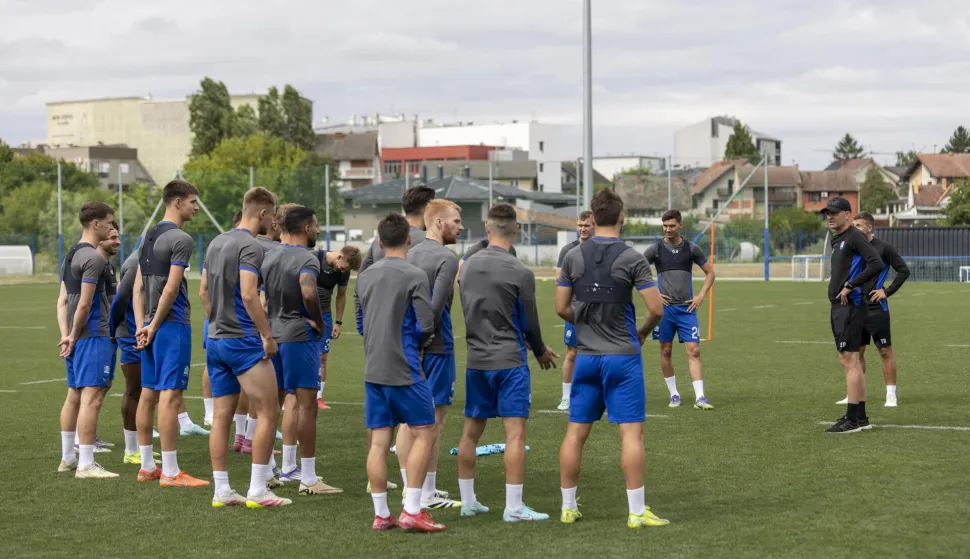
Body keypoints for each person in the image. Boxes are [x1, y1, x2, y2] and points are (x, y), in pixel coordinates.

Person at [555, 188, 667, 529]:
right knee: (632, 435)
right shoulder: (633, 257)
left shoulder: (573, 256)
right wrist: (642, 332)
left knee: (575, 434)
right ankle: (636, 512)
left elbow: (561, 307)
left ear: (592, 219)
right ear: (621, 218)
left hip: (586, 358)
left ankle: (568, 507)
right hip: (622, 358)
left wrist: (585, 325)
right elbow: (656, 309)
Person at [456, 203, 559, 523]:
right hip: (509, 362)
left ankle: (468, 501)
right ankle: (513, 507)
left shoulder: (467, 267)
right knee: (515, 435)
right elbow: (530, 321)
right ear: (515, 229)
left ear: (487, 228)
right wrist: (539, 350)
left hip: (476, 361)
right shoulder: (520, 271)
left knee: (470, 433)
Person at [356, 212, 444, 533]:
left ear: (379, 242)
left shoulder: (364, 276)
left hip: (373, 368)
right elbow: (426, 323)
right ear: (409, 239)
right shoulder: (415, 274)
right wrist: (421, 341)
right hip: (405, 366)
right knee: (425, 431)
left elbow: (361, 323)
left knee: (379, 441)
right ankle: (412, 509)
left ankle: (382, 515)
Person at [202, 186, 289, 508]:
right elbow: (250, 294)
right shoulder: (251, 246)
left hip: (216, 339)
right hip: (243, 341)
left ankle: (222, 490)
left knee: (222, 416)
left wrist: (219, 322)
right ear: (264, 214)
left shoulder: (216, 242)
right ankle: (257, 489)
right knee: (268, 411)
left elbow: (203, 293)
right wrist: (266, 335)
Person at [132, 179, 209, 487]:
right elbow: (171, 287)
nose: (196, 207)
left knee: (148, 393)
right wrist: (153, 325)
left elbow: (138, 287)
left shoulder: (147, 236)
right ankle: (172, 472)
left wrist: (142, 324)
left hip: (149, 326)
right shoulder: (181, 239)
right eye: (193, 201)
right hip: (170, 325)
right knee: (171, 395)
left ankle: (148, 466)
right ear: (177, 202)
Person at [262, 204, 343, 496]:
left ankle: (269, 472)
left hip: (274, 336)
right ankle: (308, 479)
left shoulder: (268, 256)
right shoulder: (307, 258)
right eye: (317, 225)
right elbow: (309, 292)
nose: (318, 230)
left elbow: (261, 299)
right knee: (307, 405)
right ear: (306, 228)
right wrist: (319, 322)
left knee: (273, 407)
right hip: (299, 337)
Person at [398, 199, 464, 509]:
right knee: (434, 420)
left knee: (407, 420)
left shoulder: (407, 253)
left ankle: (415, 488)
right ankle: (423, 493)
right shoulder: (445, 258)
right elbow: (434, 307)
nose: (461, 227)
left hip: (405, 343)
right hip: (434, 346)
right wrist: (424, 340)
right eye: (456, 220)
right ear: (438, 223)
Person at [56, 201, 118, 478]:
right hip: (93, 335)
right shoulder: (93, 258)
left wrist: (66, 335)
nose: (111, 227)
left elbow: (61, 302)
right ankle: (86, 464)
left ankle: (68, 458)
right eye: (109, 223)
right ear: (96, 224)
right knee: (91, 399)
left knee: (74, 397)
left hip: (75, 338)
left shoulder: (70, 255)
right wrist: (72, 335)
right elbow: (84, 303)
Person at [819, 197, 883, 434]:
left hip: (851, 306)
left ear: (848, 214)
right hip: (841, 307)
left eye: (835, 212)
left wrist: (851, 285)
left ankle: (852, 419)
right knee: (849, 360)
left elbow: (876, 263)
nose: (830, 216)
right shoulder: (840, 240)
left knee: (850, 360)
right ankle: (861, 417)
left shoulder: (854, 236)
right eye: (827, 213)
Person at [833, 212, 910, 408]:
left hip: (876, 307)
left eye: (859, 225)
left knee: (885, 350)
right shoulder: (852, 247)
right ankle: (855, 393)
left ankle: (891, 394)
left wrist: (887, 291)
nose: (855, 228)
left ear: (869, 227)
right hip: (854, 306)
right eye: (854, 225)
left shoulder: (883, 248)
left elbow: (903, 270)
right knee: (855, 353)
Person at [644, 209, 716, 410]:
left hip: (687, 310)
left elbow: (710, 273)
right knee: (665, 351)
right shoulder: (655, 249)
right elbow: (636, 271)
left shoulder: (692, 249)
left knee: (694, 350)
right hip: (664, 311)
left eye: (672, 226)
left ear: (680, 226)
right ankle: (674, 394)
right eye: (665, 226)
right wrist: (654, 293)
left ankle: (700, 397)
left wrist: (701, 295)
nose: (667, 229)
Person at [313, 244, 362, 411]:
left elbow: (341, 296)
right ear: (340, 257)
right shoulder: (315, 258)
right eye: (344, 267)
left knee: (322, 357)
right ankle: (289, 395)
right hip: (303, 316)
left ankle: (318, 397)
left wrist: (338, 322)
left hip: (324, 316)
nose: (343, 271)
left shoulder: (344, 272)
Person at [555, 211, 593, 411]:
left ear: (594, 225)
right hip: (575, 311)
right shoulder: (568, 250)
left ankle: (596, 396)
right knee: (571, 353)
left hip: (598, 311)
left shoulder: (600, 248)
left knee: (598, 354)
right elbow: (559, 279)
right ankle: (566, 397)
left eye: (586, 225)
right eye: (580, 225)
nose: (582, 229)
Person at [358, 186, 435, 274]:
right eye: (435, 208)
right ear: (427, 208)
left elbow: (362, 277)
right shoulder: (429, 241)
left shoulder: (380, 238)